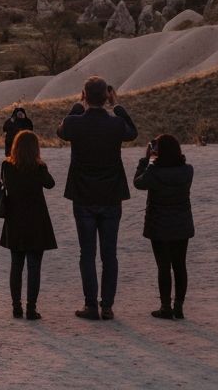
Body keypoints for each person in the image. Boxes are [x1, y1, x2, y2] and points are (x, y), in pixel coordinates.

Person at [57, 75, 137, 320]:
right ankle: (108, 306)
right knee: (109, 254)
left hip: (83, 197)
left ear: (84, 95)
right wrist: (117, 106)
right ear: (106, 96)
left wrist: (77, 106)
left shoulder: (75, 123)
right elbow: (132, 133)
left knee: (87, 253)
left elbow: (61, 130)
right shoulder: (115, 124)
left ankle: (91, 305)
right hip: (111, 196)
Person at [134, 133, 194, 320]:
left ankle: (165, 307)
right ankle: (179, 306)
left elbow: (138, 182)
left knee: (163, 266)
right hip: (182, 224)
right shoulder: (187, 171)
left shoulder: (154, 172)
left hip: (158, 225)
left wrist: (147, 160)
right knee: (180, 265)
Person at [0, 130, 58, 321]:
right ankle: (31, 309)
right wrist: (42, 165)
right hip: (36, 221)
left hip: (15, 220)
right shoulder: (39, 168)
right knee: (34, 267)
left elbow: (6, 185)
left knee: (16, 266)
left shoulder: (7, 166)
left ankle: (16, 307)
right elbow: (50, 184)